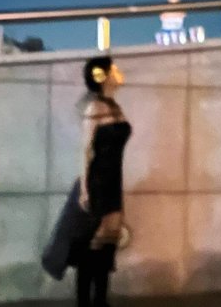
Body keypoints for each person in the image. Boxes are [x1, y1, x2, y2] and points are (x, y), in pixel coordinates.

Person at [42, 56, 131, 307]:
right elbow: (86, 150)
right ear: (101, 76)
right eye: (113, 69)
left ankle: (100, 300)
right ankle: (84, 302)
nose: (119, 72)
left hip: (113, 181)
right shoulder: (95, 108)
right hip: (97, 181)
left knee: (107, 243)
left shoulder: (115, 107)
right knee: (90, 246)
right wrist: (84, 189)